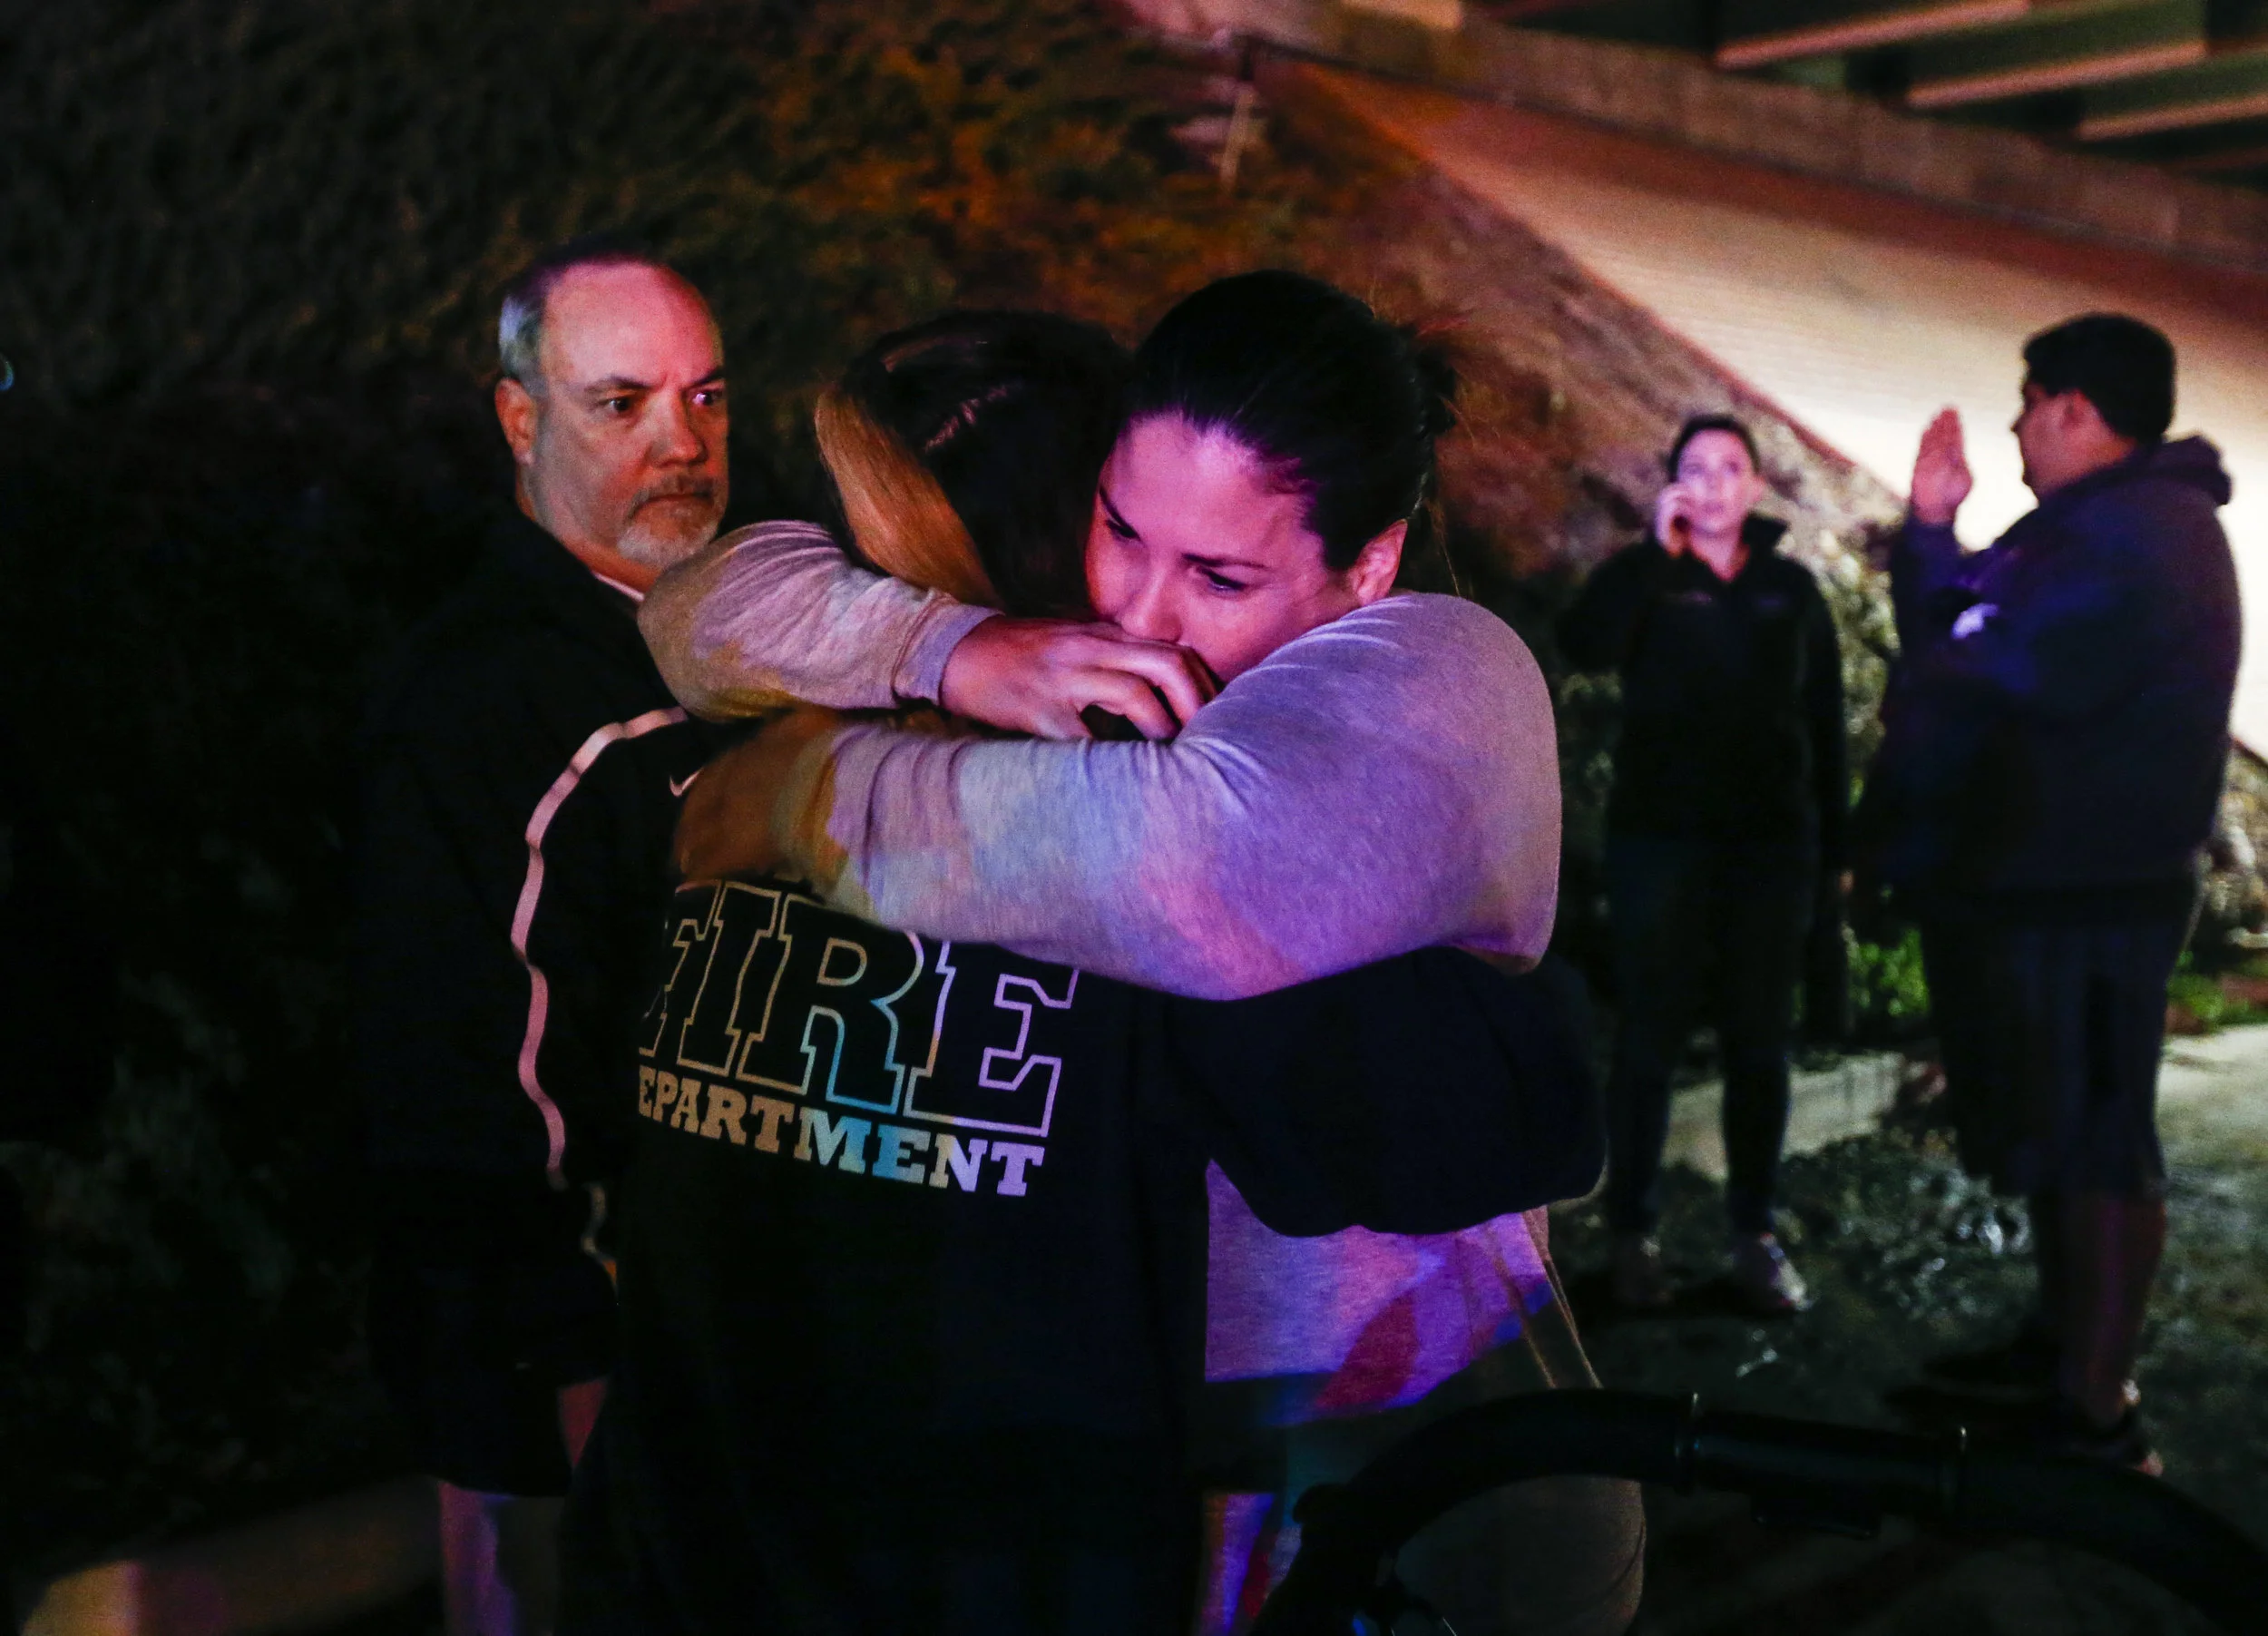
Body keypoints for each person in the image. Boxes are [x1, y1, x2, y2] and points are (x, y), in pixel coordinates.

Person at [632, 274, 1642, 1634]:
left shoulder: (1432, 675)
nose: (1145, 612)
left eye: (1221, 573)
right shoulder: (1053, 712)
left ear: (1370, 562)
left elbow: (1182, 868)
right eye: (1121, 530)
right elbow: (697, 606)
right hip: (1230, 1505)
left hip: (1442, 1486)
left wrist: (810, 786)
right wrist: (948, 648)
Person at [352, 240, 728, 1636]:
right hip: (564, 1378)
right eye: (619, 404)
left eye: (707, 398)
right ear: (522, 419)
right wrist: (569, 1354)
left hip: (683, 1349)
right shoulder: (493, 702)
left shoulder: (695, 647)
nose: (680, 444)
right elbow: (468, 1063)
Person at [1857, 314, 2239, 1473]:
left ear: (2075, 409)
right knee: (2068, 1137)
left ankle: (2094, 1414)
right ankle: (2060, 1353)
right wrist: (1931, 534)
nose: (2019, 424)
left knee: (2097, 1147)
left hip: (2089, 895)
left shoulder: (2134, 539)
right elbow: (1968, 636)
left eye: (2029, 402)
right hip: (2064, 888)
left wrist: (1936, 631)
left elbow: (1978, 668)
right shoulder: (2105, 524)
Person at [1557, 415, 1845, 1316]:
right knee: (1648, 1041)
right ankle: (1632, 1238)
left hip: (1770, 852)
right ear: (1671, 485)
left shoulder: (1791, 591)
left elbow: (1825, 727)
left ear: (1757, 486)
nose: (1713, 483)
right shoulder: (1648, 581)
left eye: (1730, 468)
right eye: (1694, 469)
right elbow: (1584, 646)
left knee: (1761, 1045)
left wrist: (1836, 854)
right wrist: (1649, 556)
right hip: (1661, 846)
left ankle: (1753, 1235)